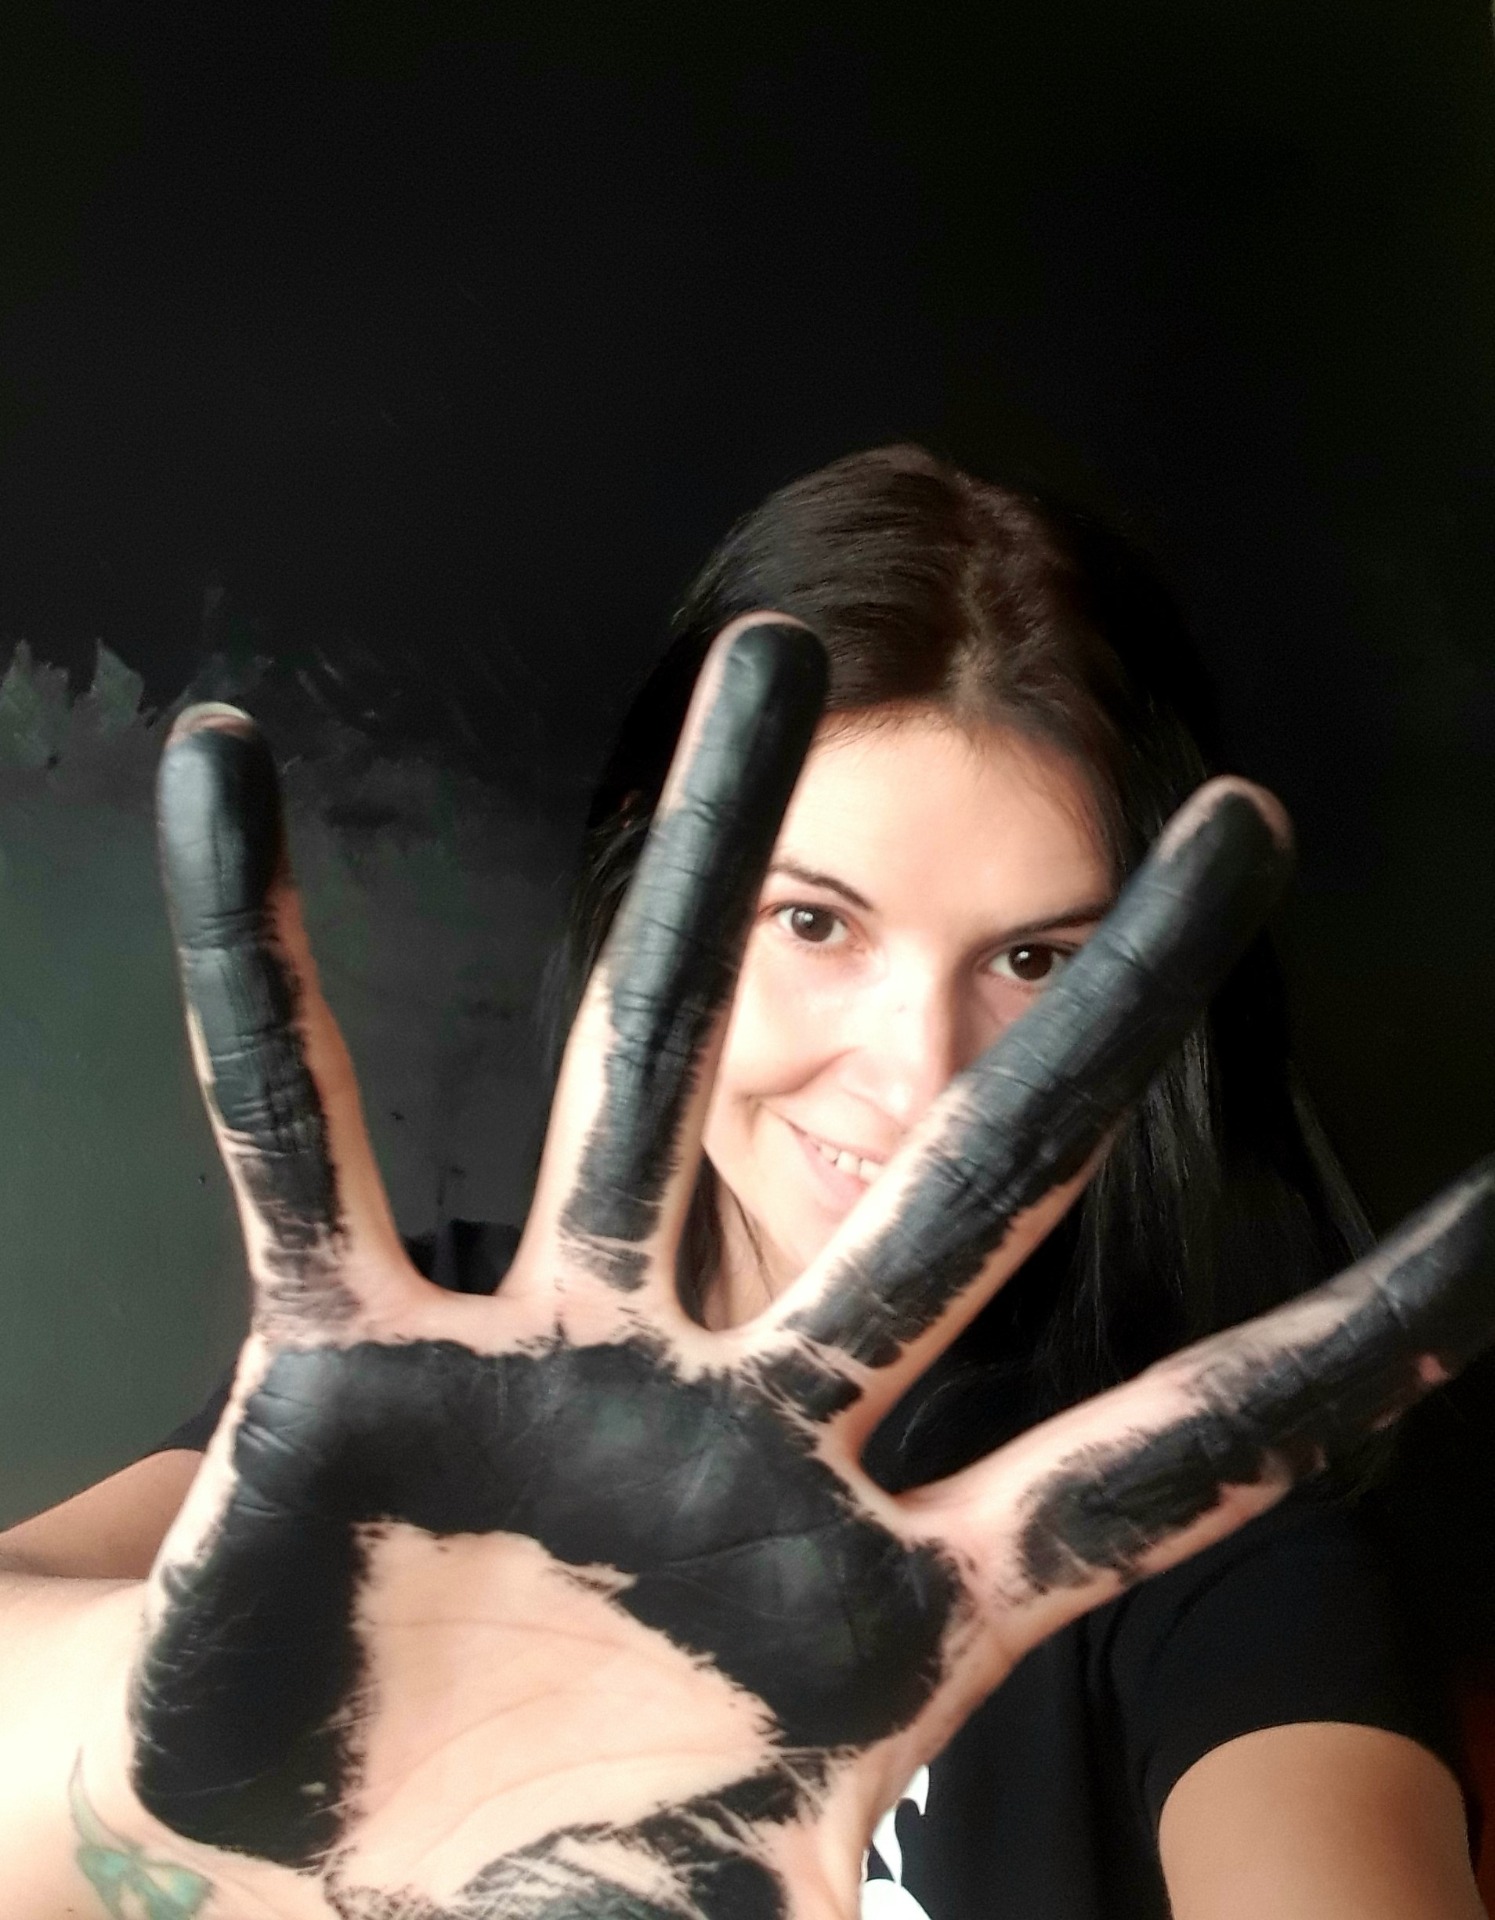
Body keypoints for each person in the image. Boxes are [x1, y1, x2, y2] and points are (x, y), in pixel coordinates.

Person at [0, 444, 1487, 1917]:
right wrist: (146, 1740)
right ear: (656, 901)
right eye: (815, 923)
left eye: (1035, 960)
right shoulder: (441, 1364)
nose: (919, 1081)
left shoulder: (1187, 1528)